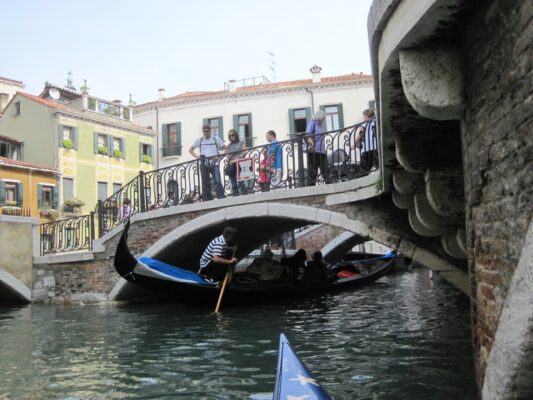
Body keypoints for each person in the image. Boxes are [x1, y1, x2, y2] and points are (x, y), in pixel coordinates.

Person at [189, 123, 226, 200]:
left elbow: (226, 148)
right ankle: (208, 199)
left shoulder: (216, 139)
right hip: (204, 164)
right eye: (204, 131)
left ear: (210, 131)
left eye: (207, 131)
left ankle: (221, 197)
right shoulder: (200, 140)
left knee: (217, 181)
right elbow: (190, 150)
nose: (205, 133)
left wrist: (220, 158)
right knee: (206, 183)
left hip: (215, 163)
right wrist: (198, 157)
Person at [305, 110, 330, 185]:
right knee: (313, 171)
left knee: (325, 170)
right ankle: (311, 189)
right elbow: (308, 134)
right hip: (314, 151)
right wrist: (311, 142)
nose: (325, 119)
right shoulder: (312, 123)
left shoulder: (320, 126)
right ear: (320, 116)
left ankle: (330, 185)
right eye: (324, 117)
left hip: (321, 151)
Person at [225, 129, 248, 196]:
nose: (231, 137)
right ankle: (235, 193)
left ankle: (244, 192)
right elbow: (226, 154)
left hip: (239, 162)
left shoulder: (241, 142)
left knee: (241, 179)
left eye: (232, 135)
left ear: (236, 135)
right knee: (233, 179)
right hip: (232, 163)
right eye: (229, 136)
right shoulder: (228, 146)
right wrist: (228, 158)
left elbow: (245, 151)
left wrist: (238, 158)